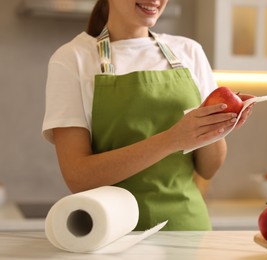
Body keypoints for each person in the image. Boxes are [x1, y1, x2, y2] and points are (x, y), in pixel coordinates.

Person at [42, 0, 253, 231]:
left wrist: (220, 126)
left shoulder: (189, 52)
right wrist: (173, 139)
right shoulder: (72, 59)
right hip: (114, 237)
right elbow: (78, 177)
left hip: (188, 231)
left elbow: (208, 168)